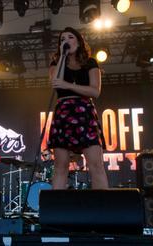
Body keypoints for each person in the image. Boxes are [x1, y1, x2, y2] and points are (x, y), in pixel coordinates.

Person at [47, 27, 108, 190]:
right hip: (63, 114)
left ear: (79, 41)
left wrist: (68, 85)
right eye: (62, 39)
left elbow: (95, 91)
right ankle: (57, 211)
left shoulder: (90, 62)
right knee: (60, 166)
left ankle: (104, 209)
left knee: (96, 165)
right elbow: (55, 83)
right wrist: (62, 55)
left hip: (84, 113)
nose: (66, 41)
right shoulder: (56, 62)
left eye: (70, 37)